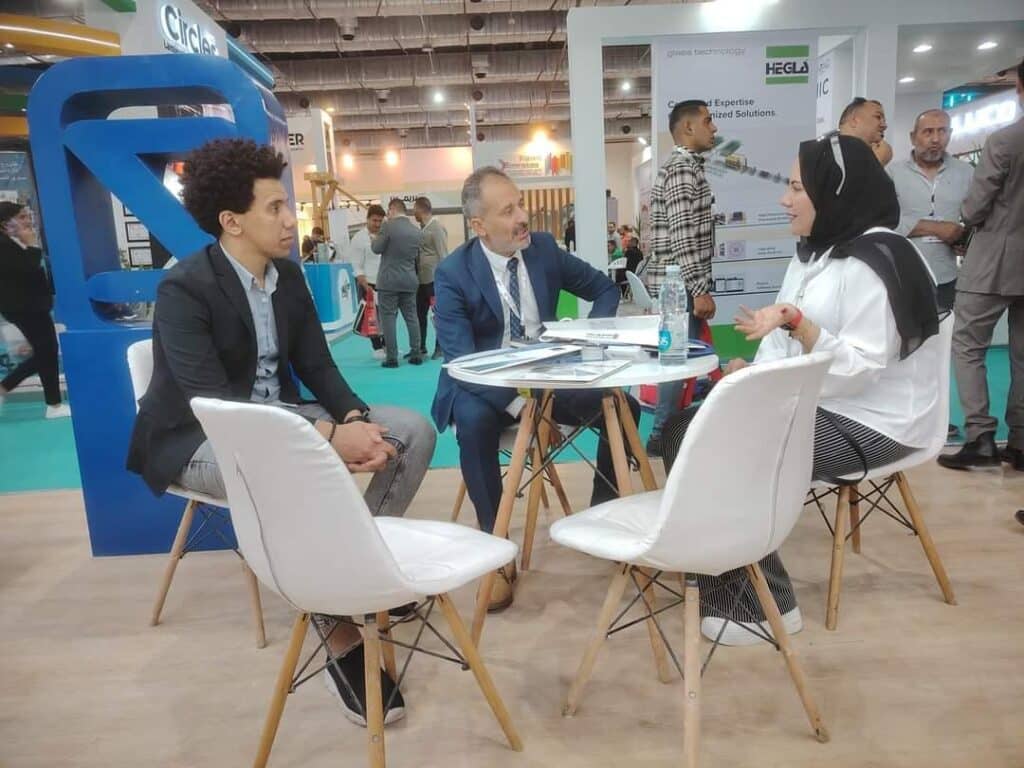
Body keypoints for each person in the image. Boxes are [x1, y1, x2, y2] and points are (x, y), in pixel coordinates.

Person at [125, 138, 436, 728]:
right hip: (194, 437)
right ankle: (339, 632)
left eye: (287, 205)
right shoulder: (184, 288)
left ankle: (356, 574)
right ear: (232, 221)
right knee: (293, 470)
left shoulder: (287, 277)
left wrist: (352, 419)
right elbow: (215, 404)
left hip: (285, 420)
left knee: (412, 431)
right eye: (274, 208)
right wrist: (324, 437)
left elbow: (317, 365)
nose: (291, 219)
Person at [659, 134, 940, 646]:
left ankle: (765, 606)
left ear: (833, 191)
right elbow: (778, 341)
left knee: (728, 448)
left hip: (876, 422)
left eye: (796, 188)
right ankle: (717, 568)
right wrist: (752, 373)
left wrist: (799, 326)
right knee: (683, 428)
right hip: (816, 403)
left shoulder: (880, 258)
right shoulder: (815, 254)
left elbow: (858, 370)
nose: (784, 199)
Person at [431, 166, 641, 611]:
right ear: (479, 226)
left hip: (546, 378)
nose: (523, 217)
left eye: (521, 205)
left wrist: (588, 339)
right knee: (472, 423)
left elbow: (604, 289)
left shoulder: (543, 249)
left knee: (623, 406)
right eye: (508, 211)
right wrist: (518, 407)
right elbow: (463, 362)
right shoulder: (453, 273)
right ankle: (495, 549)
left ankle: (601, 514)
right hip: (485, 384)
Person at [939, 58, 1024, 472]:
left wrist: (964, 220)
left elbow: (975, 207)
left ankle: (980, 436)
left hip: (993, 258)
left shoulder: (1004, 140)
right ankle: (1021, 442)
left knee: (968, 345)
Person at [889, 108, 974, 441]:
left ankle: (938, 420)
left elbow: (975, 218)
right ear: (913, 137)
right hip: (905, 275)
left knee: (939, 353)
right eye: (928, 132)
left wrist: (964, 237)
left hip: (947, 277)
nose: (935, 139)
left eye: (942, 131)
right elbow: (886, 221)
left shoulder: (966, 174)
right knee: (905, 349)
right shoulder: (893, 174)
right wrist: (936, 228)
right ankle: (904, 418)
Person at [645, 99, 718, 457]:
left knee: (680, 360)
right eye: (708, 121)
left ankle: (667, 434)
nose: (714, 128)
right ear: (688, 128)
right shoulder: (681, 170)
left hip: (679, 285)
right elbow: (682, 236)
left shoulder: (685, 168)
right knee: (676, 362)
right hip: (679, 288)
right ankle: (662, 436)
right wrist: (699, 289)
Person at [0, 202, 70, 418]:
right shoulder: (4, 245)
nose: (27, 221)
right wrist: (31, 245)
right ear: (5, 223)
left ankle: (51, 403)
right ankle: (53, 405)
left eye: (27, 215)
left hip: (30, 306)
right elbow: (28, 267)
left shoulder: (13, 242)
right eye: (21, 217)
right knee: (46, 350)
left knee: (46, 351)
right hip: (24, 307)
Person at [371, 198, 422, 368]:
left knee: (388, 319)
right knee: (412, 317)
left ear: (392, 209)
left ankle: (392, 358)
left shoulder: (387, 226)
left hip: (389, 281)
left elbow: (376, 248)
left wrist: (374, 238)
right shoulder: (416, 231)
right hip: (409, 279)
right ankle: (416, 353)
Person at [412, 196, 448, 360]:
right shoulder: (422, 228)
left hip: (434, 281)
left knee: (437, 315)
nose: (413, 214)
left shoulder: (437, 228)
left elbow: (443, 254)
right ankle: (420, 347)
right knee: (419, 314)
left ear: (420, 209)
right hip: (421, 280)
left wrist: (444, 279)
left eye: (414, 210)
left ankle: (440, 347)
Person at [350, 204, 386, 359]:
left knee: (387, 317)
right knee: (372, 317)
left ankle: (387, 346)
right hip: (368, 283)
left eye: (380, 221)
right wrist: (365, 286)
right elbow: (356, 265)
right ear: (367, 219)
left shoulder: (385, 235)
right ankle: (377, 348)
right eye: (374, 220)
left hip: (386, 283)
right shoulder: (359, 238)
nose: (377, 224)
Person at [838, 97, 892, 166]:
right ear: (854, 121)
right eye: (878, 117)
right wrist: (876, 162)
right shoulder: (827, 154)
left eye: (884, 121)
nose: (884, 126)